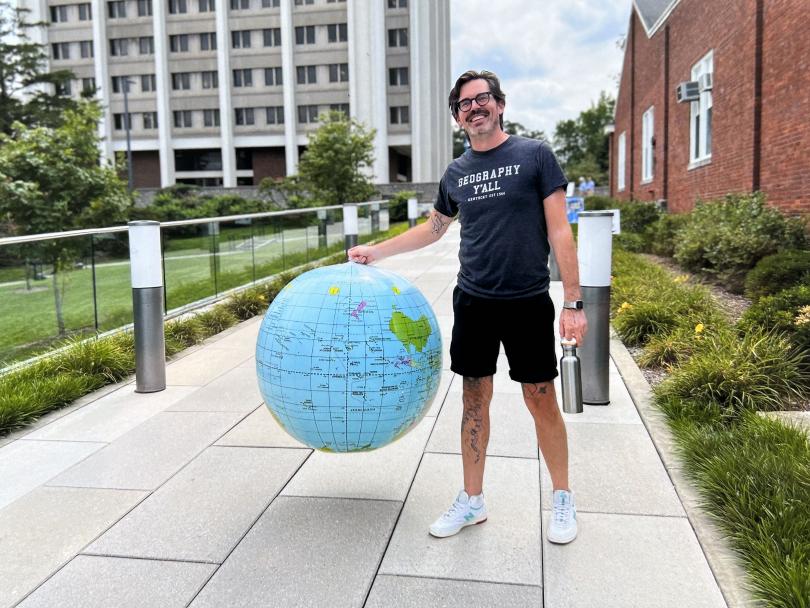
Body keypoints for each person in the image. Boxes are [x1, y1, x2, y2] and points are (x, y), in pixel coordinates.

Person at [348, 70, 587, 545]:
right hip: (474, 301)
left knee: (540, 398)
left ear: (499, 104)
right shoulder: (455, 173)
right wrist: (378, 251)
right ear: (458, 117)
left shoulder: (534, 155)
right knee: (473, 398)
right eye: (464, 104)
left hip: (526, 301)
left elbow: (561, 230)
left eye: (482, 99)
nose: (473, 108)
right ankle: (472, 501)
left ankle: (562, 497)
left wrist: (573, 302)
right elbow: (434, 228)